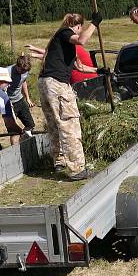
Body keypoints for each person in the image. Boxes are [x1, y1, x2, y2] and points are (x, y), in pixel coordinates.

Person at [37, 12, 107, 181]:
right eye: (80, 28)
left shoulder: (62, 43)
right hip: (58, 85)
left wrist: (98, 71)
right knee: (69, 124)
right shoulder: (65, 33)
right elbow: (82, 40)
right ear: (77, 26)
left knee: (54, 124)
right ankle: (77, 169)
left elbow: (79, 67)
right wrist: (95, 23)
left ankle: (59, 161)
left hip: (45, 84)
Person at [6, 54, 36, 145]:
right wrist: (6, 102)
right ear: (17, 65)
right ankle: (14, 151)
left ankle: (23, 142)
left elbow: (23, 82)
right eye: (22, 70)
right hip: (9, 103)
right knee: (13, 131)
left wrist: (27, 98)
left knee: (30, 125)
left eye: (25, 71)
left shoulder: (24, 71)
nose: (23, 72)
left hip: (20, 100)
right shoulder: (7, 72)